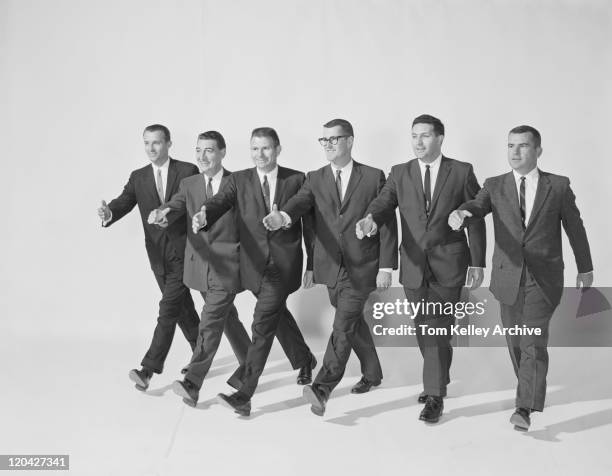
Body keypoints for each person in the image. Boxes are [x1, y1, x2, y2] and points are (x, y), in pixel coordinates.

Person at [448, 125, 593, 430]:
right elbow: (478, 204)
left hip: (544, 277)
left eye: (523, 146)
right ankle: (529, 387)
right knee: (515, 340)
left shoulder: (559, 186)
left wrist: (585, 267)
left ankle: (524, 407)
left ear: (538, 151)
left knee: (532, 341)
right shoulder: (495, 184)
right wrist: (463, 212)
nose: (515, 152)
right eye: (510, 146)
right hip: (507, 277)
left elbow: (575, 229)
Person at [263, 119, 398, 416]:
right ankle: (373, 373)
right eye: (323, 141)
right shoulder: (315, 177)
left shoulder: (374, 176)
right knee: (351, 322)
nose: (328, 146)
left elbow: (387, 222)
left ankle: (323, 387)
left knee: (342, 325)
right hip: (330, 267)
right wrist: (283, 216)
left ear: (349, 141)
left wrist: (387, 266)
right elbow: (300, 203)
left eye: (333, 140)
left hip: (363, 265)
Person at [356, 114, 486, 423]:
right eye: (414, 135)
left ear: (440, 139)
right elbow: (384, 202)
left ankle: (434, 395)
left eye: (425, 136)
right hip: (413, 265)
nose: (418, 141)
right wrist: (370, 218)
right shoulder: (400, 172)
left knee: (436, 327)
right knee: (423, 328)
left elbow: (476, 216)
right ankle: (437, 378)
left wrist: (478, 261)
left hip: (450, 263)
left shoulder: (461, 171)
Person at [192, 127, 317, 416]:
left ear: (278, 149)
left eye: (266, 149)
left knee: (261, 324)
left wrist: (312, 264)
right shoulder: (239, 179)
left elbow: (310, 228)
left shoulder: (297, 179)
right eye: (254, 149)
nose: (260, 155)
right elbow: (220, 201)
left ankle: (245, 392)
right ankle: (305, 359)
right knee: (277, 316)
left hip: (283, 267)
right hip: (251, 266)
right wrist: (204, 214)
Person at [147, 131, 250, 406]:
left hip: (228, 266)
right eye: (198, 151)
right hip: (200, 267)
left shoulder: (238, 182)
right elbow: (177, 204)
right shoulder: (190, 183)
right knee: (227, 319)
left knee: (210, 322)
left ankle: (192, 382)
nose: (202, 157)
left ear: (223, 152)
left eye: (209, 151)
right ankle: (251, 365)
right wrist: (163, 212)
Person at [97, 124, 200, 391]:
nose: (151, 148)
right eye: (146, 143)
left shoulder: (187, 171)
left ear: (168, 144)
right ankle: (200, 353)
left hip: (185, 251)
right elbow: (124, 201)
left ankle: (148, 370)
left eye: (156, 142)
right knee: (181, 308)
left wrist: (169, 214)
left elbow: (188, 203)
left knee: (167, 310)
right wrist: (109, 214)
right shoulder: (139, 176)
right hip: (157, 255)